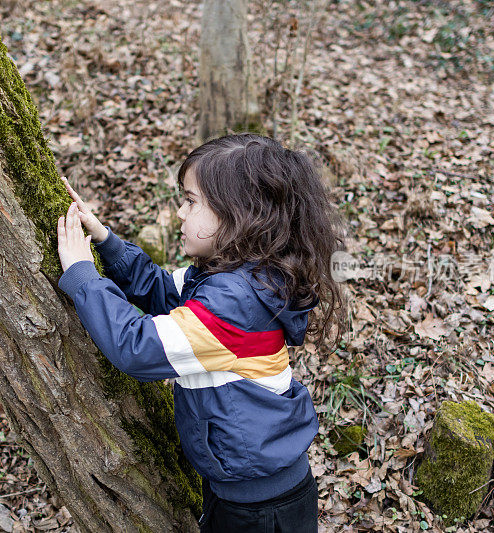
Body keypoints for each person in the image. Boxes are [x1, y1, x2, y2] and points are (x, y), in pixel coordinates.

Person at [55, 133, 345, 532]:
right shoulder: (234, 278)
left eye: (191, 201)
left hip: (261, 508)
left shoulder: (233, 303)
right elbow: (161, 290)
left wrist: (82, 275)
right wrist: (106, 242)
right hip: (246, 488)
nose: (179, 213)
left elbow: (137, 346)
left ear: (239, 214)